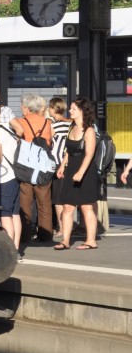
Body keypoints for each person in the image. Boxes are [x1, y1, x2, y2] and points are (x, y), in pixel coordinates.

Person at [55, 96, 100, 250]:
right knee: (68, 207)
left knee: (86, 207)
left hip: (86, 171)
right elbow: (69, 150)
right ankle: (65, 240)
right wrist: (62, 165)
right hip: (71, 169)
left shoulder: (89, 130)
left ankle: (91, 240)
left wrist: (81, 172)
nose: (70, 111)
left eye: (74, 109)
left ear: (82, 111)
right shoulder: (71, 127)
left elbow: (89, 154)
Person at [12, 93, 54, 243]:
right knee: (44, 203)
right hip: (43, 166)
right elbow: (50, 141)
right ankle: (45, 235)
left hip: (26, 166)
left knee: (25, 202)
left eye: (22, 106)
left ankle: (24, 235)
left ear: (27, 108)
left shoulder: (20, 122)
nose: (21, 108)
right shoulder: (47, 122)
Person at [0, 104, 22, 255]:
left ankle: (9, 250)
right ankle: (16, 248)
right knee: (15, 213)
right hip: (15, 176)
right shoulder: (9, 130)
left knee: (4, 215)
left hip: (4, 177)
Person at [47, 96, 71, 238]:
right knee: (68, 196)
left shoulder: (54, 126)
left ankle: (62, 228)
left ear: (53, 109)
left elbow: (49, 143)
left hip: (57, 163)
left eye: (50, 108)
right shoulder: (70, 124)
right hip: (69, 163)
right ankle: (69, 226)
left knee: (58, 198)